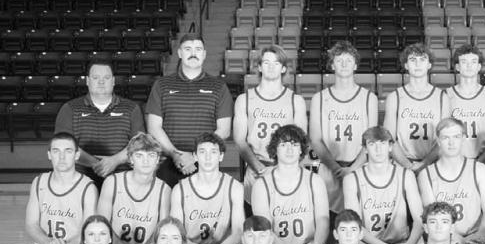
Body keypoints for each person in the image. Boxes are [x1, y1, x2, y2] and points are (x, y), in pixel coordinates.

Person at [146, 33, 233, 186]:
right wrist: (175, 154)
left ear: (204, 54)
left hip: (205, 164)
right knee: (168, 209)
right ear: (179, 53)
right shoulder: (161, 85)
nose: (193, 53)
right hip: (168, 162)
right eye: (188, 49)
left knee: (202, 210)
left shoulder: (219, 87)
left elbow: (224, 130)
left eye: (198, 49)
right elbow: (154, 127)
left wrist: (194, 156)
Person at [252, 124, 329, 244]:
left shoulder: (315, 180)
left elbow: (323, 220)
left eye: (294, 144)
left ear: (301, 150)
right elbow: (265, 231)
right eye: (283, 145)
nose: (289, 149)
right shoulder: (262, 185)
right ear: (275, 150)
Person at [310, 41, 378, 213]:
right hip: (329, 168)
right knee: (329, 221)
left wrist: (353, 168)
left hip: (360, 167)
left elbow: (372, 139)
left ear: (355, 65)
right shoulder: (319, 98)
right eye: (339, 60)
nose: (344, 64)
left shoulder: (369, 98)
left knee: (358, 222)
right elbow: (315, 140)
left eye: (349, 60)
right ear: (332, 65)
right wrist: (336, 169)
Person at [233, 45, 307, 203]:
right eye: (266, 63)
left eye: (276, 63)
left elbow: (301, 141)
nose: (271, 67)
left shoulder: (296, 101)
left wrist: (277, 170)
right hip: (255, 171)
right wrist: (260, 168)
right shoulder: (244, 99)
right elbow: (239, 141)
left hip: (287, 172)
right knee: (255, 225)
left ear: (283, 68)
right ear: (259, 67)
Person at [343, 126, 424, 244]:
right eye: (372, 144)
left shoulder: (405, 175)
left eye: (383, 143)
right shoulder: (352, 179)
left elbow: (419, 219)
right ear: (365, 149)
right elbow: (354, 225)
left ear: (391, 147)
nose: (378, 149)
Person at [54, 58, 145, 184]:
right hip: (79, 182)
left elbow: (139, 144)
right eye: (96, 77)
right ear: (87, 81)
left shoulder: (132, 109)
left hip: (122, 183)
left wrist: (115, 161)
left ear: (113, 81)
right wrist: (96, 164)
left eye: (106, 78)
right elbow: (63, 146)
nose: (101, 82)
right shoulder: (69, 109)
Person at [26, 132, 98, 244]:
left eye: (68, 151)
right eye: (56, 151)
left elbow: (89, 234)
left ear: (77, 155)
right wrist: (50, 243)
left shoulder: (88, 188)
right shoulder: (39, 183)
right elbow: (31, 224)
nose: (62, 156)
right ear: (49, 155)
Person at [418, 118, 485, 244]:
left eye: (456, 137)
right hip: (441, 237)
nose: (451, 143)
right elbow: (432, 218)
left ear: (464, 139)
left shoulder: (479, 169)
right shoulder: (426, 174)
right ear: (438, 141)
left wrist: (480, 235)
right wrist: (458, 240)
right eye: (446, 138)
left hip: (476, 236)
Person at [170, 133, 244, 244]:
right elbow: (175, 234)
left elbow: (238, 233)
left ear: (221, 156)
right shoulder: (180, 189)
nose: (208, 157)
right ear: (195, 156)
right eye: (203, 152)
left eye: (213, 152)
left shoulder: (234, 187)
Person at [97, 133, 171, 244]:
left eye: (151, 155)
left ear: (158, 159)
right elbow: (102, 227)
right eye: (139, 155)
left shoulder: (164, 189)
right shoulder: (112, 182)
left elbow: (163, 232)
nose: (146, 161)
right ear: (130, 158)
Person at [384, 43, 450, 172]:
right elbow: (389, 138)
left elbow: (444, 138)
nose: (418, 64)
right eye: (413, 60)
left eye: (422, 59)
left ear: (429, 65)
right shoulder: (395, 97)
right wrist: (408, 166)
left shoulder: (442, 97)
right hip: (401, 165)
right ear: (406, 65)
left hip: (433, 164)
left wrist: (424, 164)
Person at [447, 44, 485, 165]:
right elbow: (440, 136)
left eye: (473, 62)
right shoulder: (446, 96)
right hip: (453, 164)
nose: (468, 65)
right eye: (464, 61)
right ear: (457, 67)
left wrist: (478, 164)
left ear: (479, 67)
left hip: (483, 162)